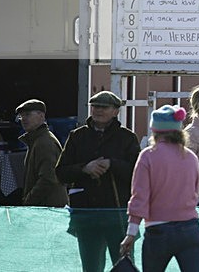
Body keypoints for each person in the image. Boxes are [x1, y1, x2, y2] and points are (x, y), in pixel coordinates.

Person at [55, 91, 141, 272]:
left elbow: (138, 174)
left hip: (118, 216)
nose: (98, 110)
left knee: (123, 265)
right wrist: (84, 169)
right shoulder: (77, 136)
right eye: (95, 106)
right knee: (91, 267)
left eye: (104, 107)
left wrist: (112, 164)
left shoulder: (127, 138)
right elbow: (60, 172)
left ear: (116, 111)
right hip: (86, 216)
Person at [120, 105, 199, 272]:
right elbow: (195, 191)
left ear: (155, 130)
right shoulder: (190, 157)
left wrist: (131, 232)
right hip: (190, 228)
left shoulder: (148, 156)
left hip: (158, 230)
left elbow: (140, 196)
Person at [15, 98, 68, 206]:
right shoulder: (37, 140)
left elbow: (48, 179)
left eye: (28, 114)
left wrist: (28, 201)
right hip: (45, 207)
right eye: (21, 116)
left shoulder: (44, 143)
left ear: (41, 116)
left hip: (48, 208)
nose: (23, 119)